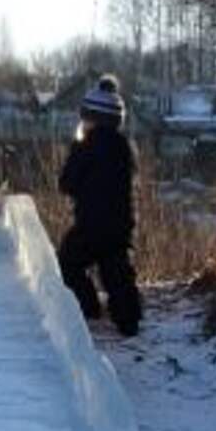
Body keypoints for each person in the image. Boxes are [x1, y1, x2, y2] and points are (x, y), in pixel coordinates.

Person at [58, 74, 142, 337]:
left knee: (67, 263)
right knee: (117, 272)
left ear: (89, 117)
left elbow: (67, 183)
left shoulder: (85, 147)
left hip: (91, 224)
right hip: (120, 223)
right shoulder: (125, 148)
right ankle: (129, 321)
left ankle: (88, 307)